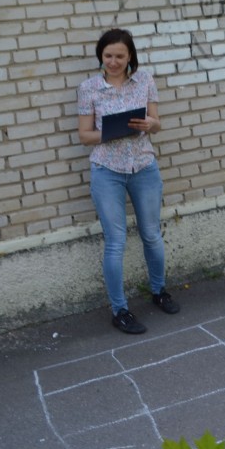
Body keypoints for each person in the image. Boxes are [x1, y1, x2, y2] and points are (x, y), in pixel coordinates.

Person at [77, 28, 181, 334]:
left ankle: (159, 291)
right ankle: (120, 310)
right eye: (108, 55)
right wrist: (113, 131)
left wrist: (150, 124)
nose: (113, 61)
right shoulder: (89, 88)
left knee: (151, 234)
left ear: (130, 56)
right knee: (116, 241)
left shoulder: (145, 80)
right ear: (101, 56)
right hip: (107, 170)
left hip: (144, 167)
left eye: (119, 56)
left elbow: (157, 125)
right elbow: (85, 136)